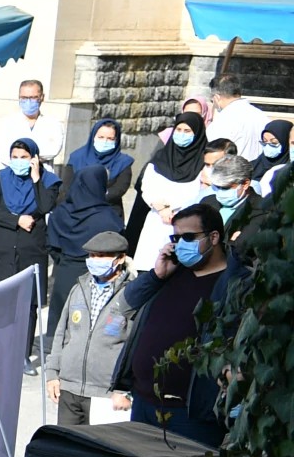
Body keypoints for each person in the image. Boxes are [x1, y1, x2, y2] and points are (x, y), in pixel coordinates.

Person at [113, 198, 235, 445]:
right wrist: (156, 276)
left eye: (188, 238)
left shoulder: (235, 283)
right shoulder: (170, 272)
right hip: (144, 402)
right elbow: (125, 305)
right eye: (176, 239)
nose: (180, 245)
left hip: (191, 414)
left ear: (213, 238)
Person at [42, 118, 133, 352]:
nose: (104, 142)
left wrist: (62, 261)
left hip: (64, 271)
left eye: (109, 138)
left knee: (61, 308)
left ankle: (55, 347)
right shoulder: (108, 219)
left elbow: (52, 243)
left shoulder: (62, 213)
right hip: (96, 275)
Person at [41, 233, 134, 426]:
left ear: (120, 258)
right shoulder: (79, 288)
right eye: (91, 256)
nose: (94, 261)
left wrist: (123, 389)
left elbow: (135, 346)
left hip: (106, 394)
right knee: (67, 451)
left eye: (101, 256)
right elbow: (62, 333)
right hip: (68, 389)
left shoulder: (131, 295)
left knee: (100, 453)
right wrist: (52, 373)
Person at [0, 136, 60, 311]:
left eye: (24, 157)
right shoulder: (2, 177)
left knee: (26, 306)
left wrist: (36, 180)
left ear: (35, 158)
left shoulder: (49, 181)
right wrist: (17, 220)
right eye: (15, 157)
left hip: (30, 249)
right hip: (0, 248)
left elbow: (45, 206)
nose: (19, 161)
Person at [130, 103, 211, 267]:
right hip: (156, 219)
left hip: (184, 222)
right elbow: (148, 186)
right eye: (179, 130)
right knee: (149, 266)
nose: (181, 135)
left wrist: (173, 208)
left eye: (187, 131)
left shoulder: (203, 163)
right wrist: (160, 207)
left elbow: (198, 191)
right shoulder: (161, 158)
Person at [209, 73, 268, 161]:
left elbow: (213, 154)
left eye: (212, 99)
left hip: (231, 171)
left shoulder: (222, 121)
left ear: (217, 98)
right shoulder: (262, 116)